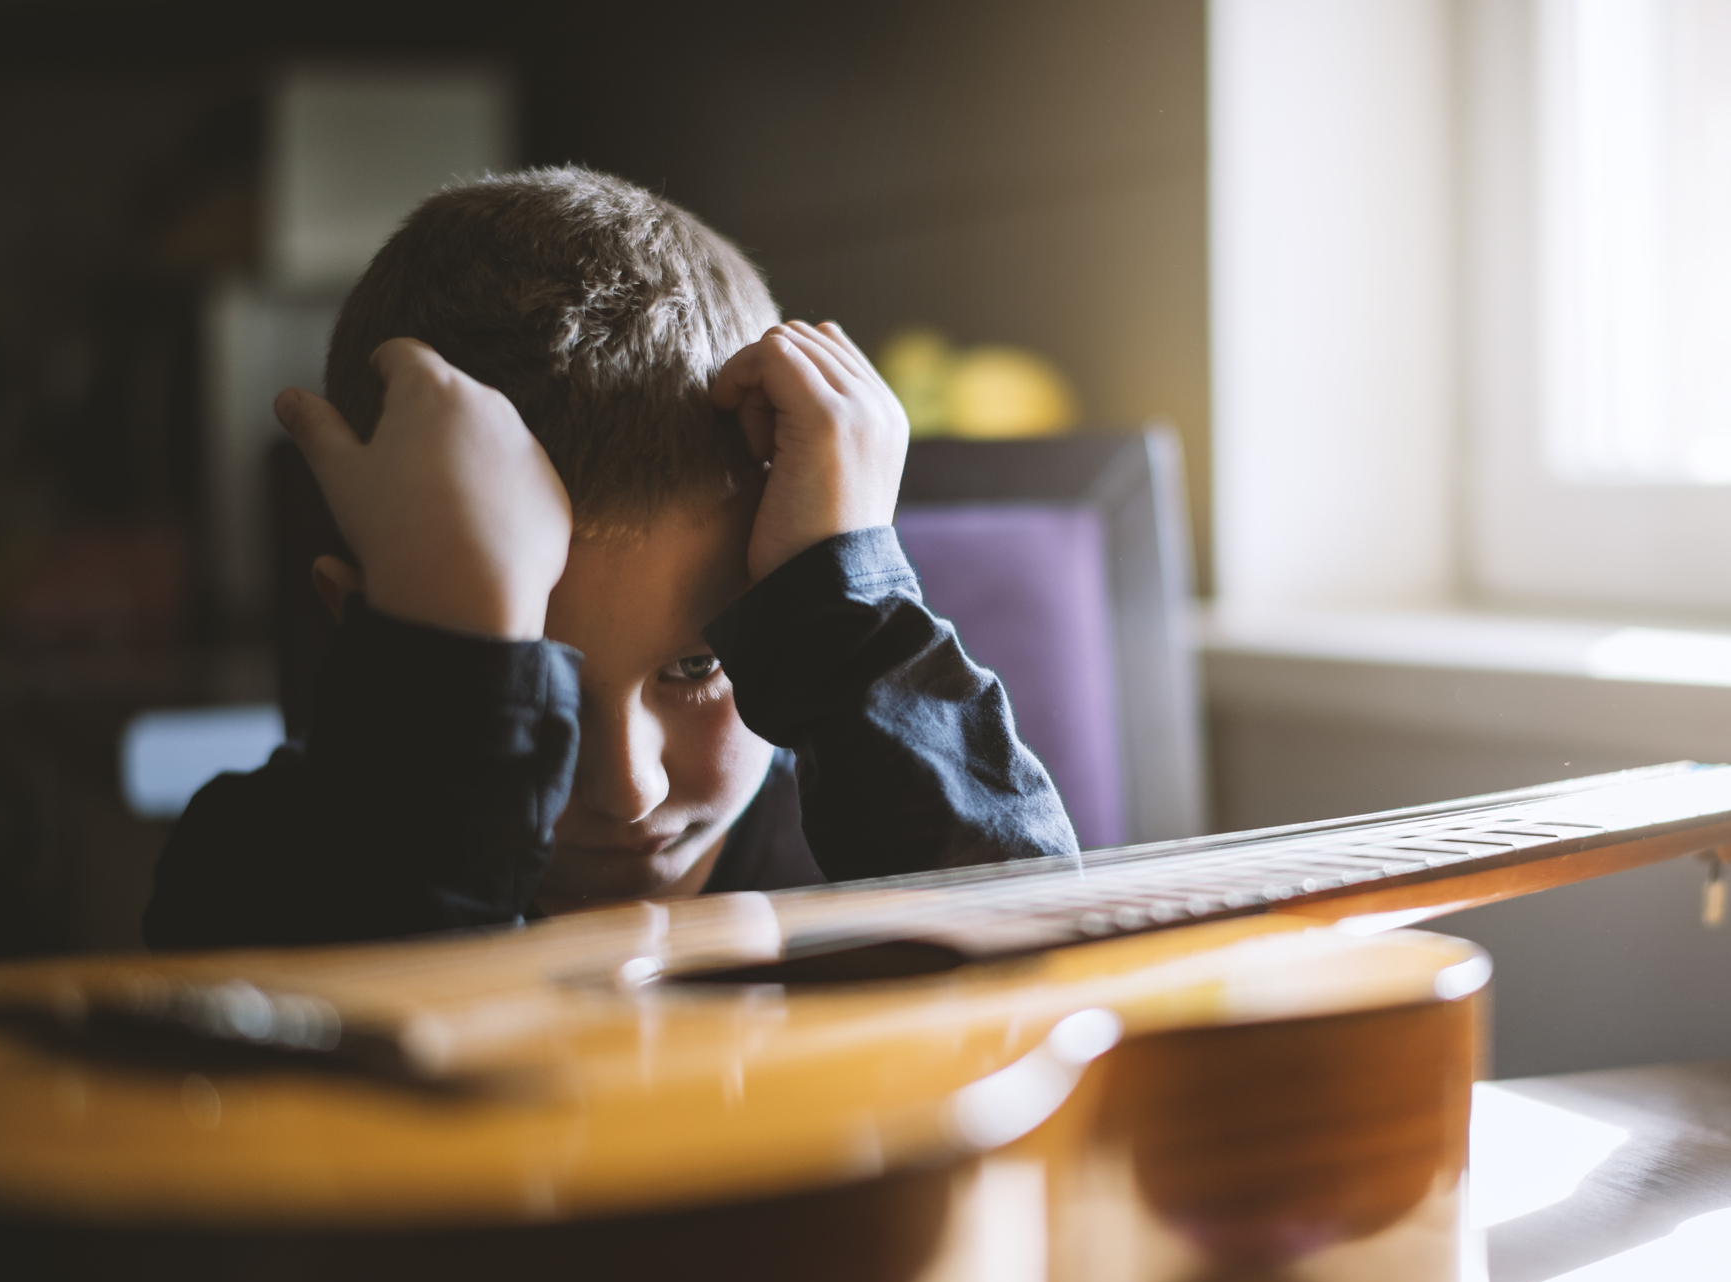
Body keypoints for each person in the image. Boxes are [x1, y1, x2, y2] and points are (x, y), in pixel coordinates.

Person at [144, 167, 1075, 952]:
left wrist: (857, 603)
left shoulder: (885, 841)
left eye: (697, 665)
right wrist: (449, 688)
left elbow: (1046, 983)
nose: (630, 793)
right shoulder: (246, 872)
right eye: (522, 673)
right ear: (368, 631)